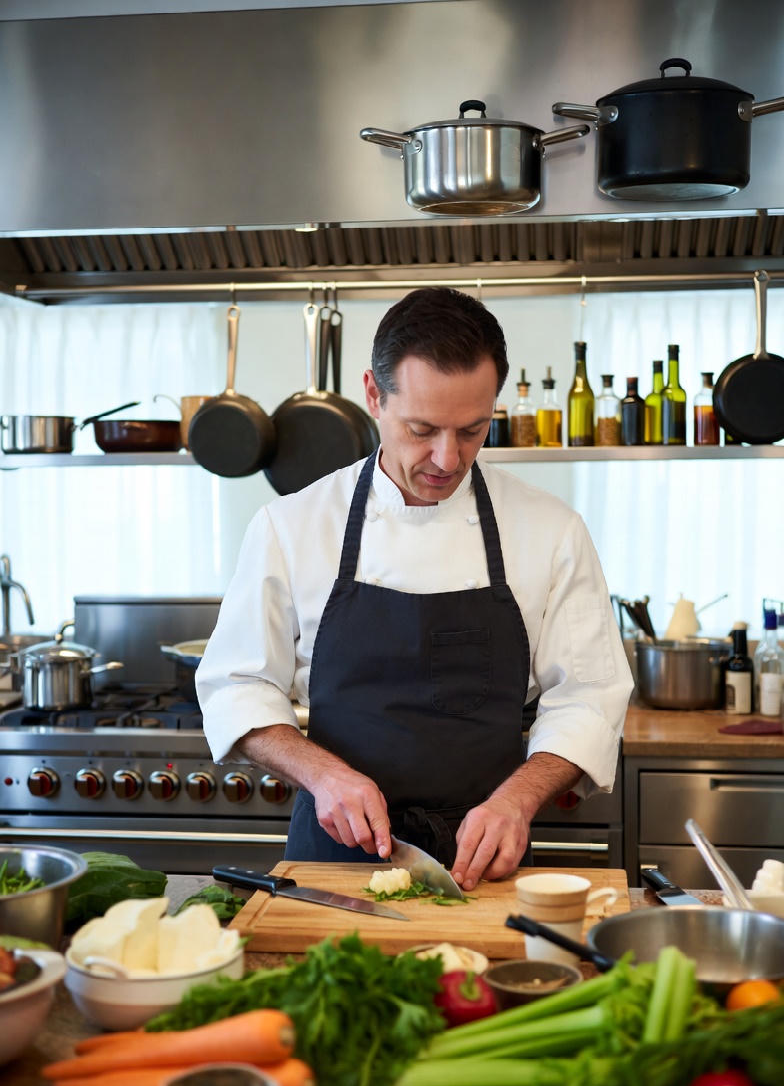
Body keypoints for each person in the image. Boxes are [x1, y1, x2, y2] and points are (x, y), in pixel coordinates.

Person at [197, 287, 633, 892]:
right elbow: (237, 686)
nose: (447, 459)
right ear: (374, 395)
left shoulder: (550, 530)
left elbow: (589, 696)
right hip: (334, 858)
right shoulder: (292, 526)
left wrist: (518, 799)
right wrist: (322, 775)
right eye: (421, 429)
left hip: (486, 861)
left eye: (473, 430)